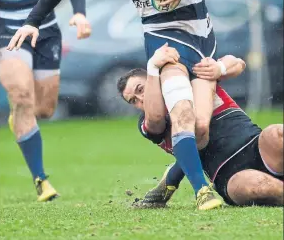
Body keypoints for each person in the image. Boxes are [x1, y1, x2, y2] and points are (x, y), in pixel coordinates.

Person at [7, 0, 231, 209]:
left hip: (201, 36)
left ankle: (167, 185)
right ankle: (202, 192)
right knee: (181, 114)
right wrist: (32, 21)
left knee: (200, 126)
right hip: (161, 36)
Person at [0, 0, 92, 202]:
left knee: (45, 109)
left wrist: (79, 13)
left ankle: (21, 115)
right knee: (21, 95)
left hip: (45, 29)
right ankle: (41, 179)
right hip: (6, 31)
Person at [117, 45, 283, 208]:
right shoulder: (147, 124)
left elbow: (238, 62)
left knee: (277, 133)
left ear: (155, 80)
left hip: (260, 147)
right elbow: (156, 119)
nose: (141, 99)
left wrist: (220, 67)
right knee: (257, 185)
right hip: (230, 176)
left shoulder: (193, 80)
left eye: (141, 89)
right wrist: (152, 66)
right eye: (133, 101)